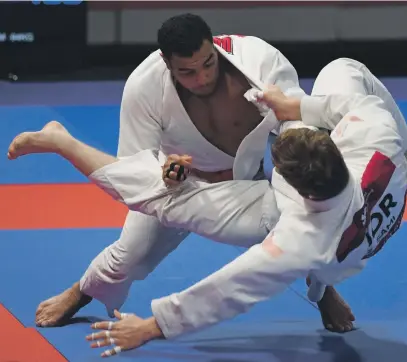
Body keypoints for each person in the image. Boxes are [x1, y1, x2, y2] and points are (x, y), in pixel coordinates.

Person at [8, 58, 407, 357]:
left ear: (296, 190)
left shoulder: (296, 238)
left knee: (166, 199)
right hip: (364, 215)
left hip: (326, 243)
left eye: (277, 162)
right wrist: (300, 109)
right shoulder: (377, 144)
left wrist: (153, 326)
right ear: (334, 145)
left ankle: (63, 141)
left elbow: (227, 290)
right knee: (343, 70)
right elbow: (364, 97)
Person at [32, 13, 307, 328]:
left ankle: (324, 293)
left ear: (214, 46)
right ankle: (81, 291)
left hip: (245, 180)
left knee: (302, 216)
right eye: (187, 72)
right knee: (128, 257)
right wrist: (165, 173)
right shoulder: (144, 86)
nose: (201, 78)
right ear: (166, 62)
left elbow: (300, 132)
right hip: (179, 186)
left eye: (207, 64)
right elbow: (133, 173)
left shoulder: (258, 62)